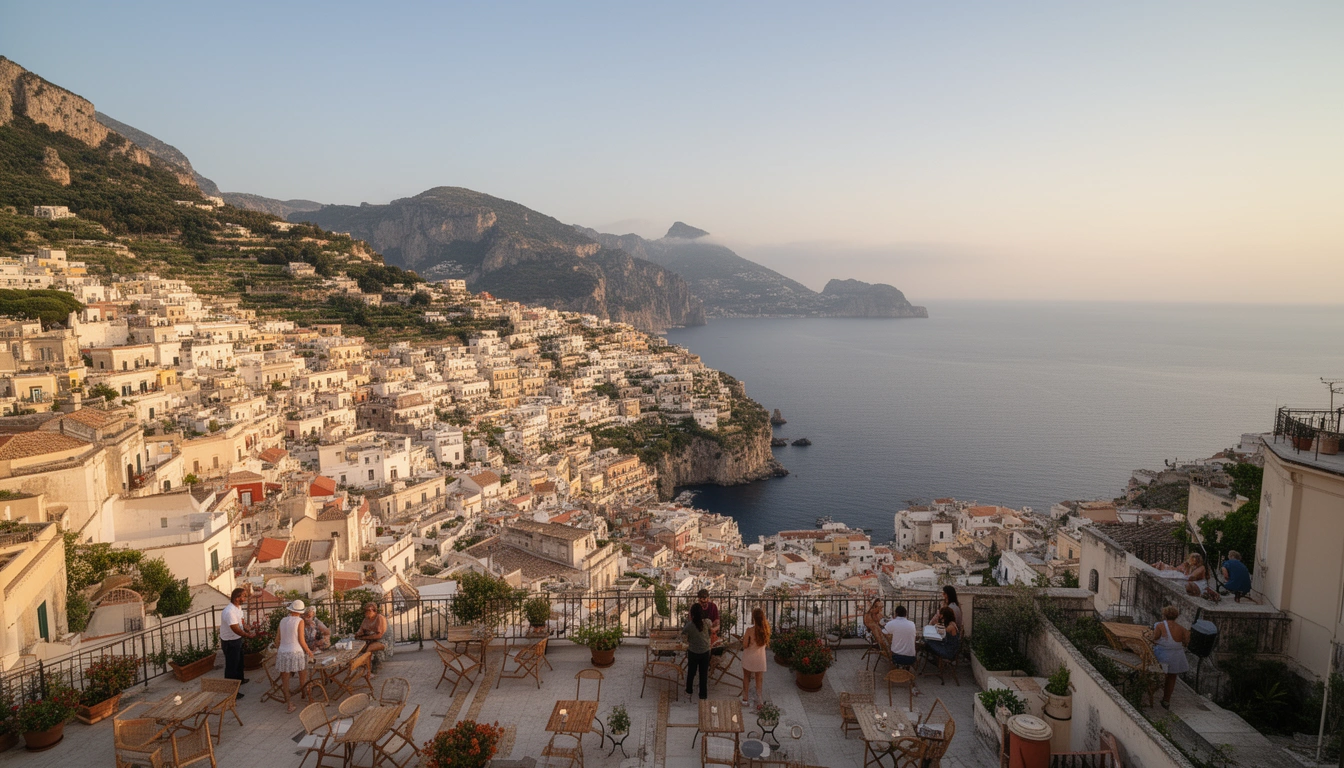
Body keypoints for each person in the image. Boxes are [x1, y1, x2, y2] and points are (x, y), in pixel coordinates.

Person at [274, 600, 314, 713]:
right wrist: (309, 651)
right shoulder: (299, 621)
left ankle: (289, 704)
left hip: (283, 652)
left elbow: (277, 640)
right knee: (302, 673)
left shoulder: (282, 620)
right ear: (300, 612)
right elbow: (301, 640)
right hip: (296, 651)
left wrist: (282, 649)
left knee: (285, 679)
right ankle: (304, 693)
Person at [1151, 605, 1190, 709]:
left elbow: (1154, 638)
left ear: (1164, 615)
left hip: (1163, 655)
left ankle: (1152, 693)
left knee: (1160, 675)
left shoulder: (1160, 626)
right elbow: (1186, 641)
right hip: (1176, 656)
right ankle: (1166, 700)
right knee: (1172, 678)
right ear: (1176, 616)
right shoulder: (1182, 629)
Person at [220, 588, 256, 697]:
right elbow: (235, 629)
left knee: (239, 661)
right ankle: (232, 692)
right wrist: (248, 635)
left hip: (236, 639)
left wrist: (246, 627)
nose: (245, 598)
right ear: (236, 598)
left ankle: (240, 679)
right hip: (230, 642)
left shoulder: (238, 608)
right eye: (243, 596)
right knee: (232, 666)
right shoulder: (229, 612)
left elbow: (241, 622)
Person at [740, 607, 770, 708]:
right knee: (759, 679)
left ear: (753, 618)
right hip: (760, 659)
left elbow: (745, 645)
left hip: (749, 658)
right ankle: (759, 700)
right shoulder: (766, 631)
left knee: (746, 677)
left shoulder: (749, 630)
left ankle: (745, 699)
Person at [683, 603, 712, 700]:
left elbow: (683, 635)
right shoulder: (706, 623)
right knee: (703, 674)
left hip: (693, 652)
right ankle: (703, 694)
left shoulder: (689, 625)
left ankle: (689, 690)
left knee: (691, 672)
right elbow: (711, 626)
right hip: (705, 651)